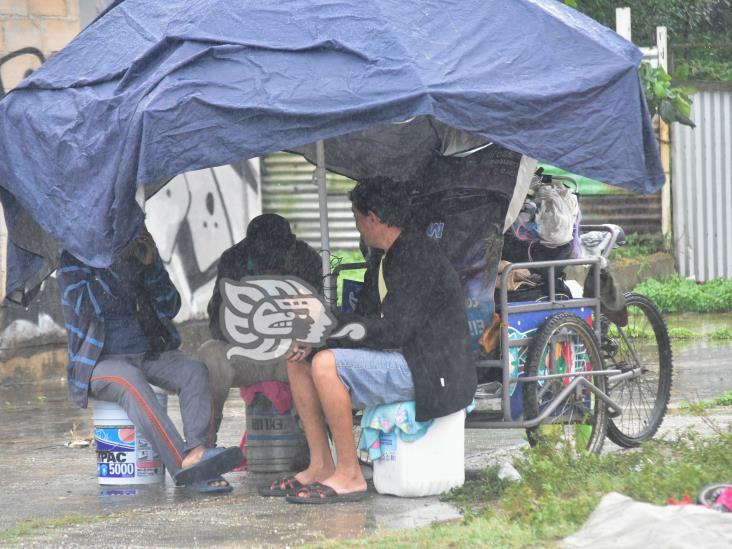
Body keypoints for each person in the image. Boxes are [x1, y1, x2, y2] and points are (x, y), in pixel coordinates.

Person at [261, 177, 477, 504]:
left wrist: (327, 331)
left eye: (356, 217)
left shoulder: (416, 257)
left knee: (325, 364)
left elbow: (393, 330)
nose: (357, 226)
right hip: (404, 358)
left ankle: (349, 474)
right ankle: (320, 465)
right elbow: (363, 319)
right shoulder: (382, 257)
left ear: (372, 218)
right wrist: (317, 336)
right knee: (301, 361)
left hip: (431, 370)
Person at [57, 226, 242, 493]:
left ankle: (199, 450)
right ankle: (187, 465)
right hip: (99, 363)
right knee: (130, 381)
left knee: (194, 371)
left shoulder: (139, 259)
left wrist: (150, 267)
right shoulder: (73, 259)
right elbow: (86, 308)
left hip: (148, 354)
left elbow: (171, 306)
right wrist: (114, 264)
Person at [199, 213, 323, 442]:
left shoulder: (306, 258)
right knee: (211, 353)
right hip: (247, 354)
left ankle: (312, 445)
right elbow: (216, 319)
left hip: (289, 356)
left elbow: (317, 319)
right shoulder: (233, 259)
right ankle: (205, 443)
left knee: (321, 362)